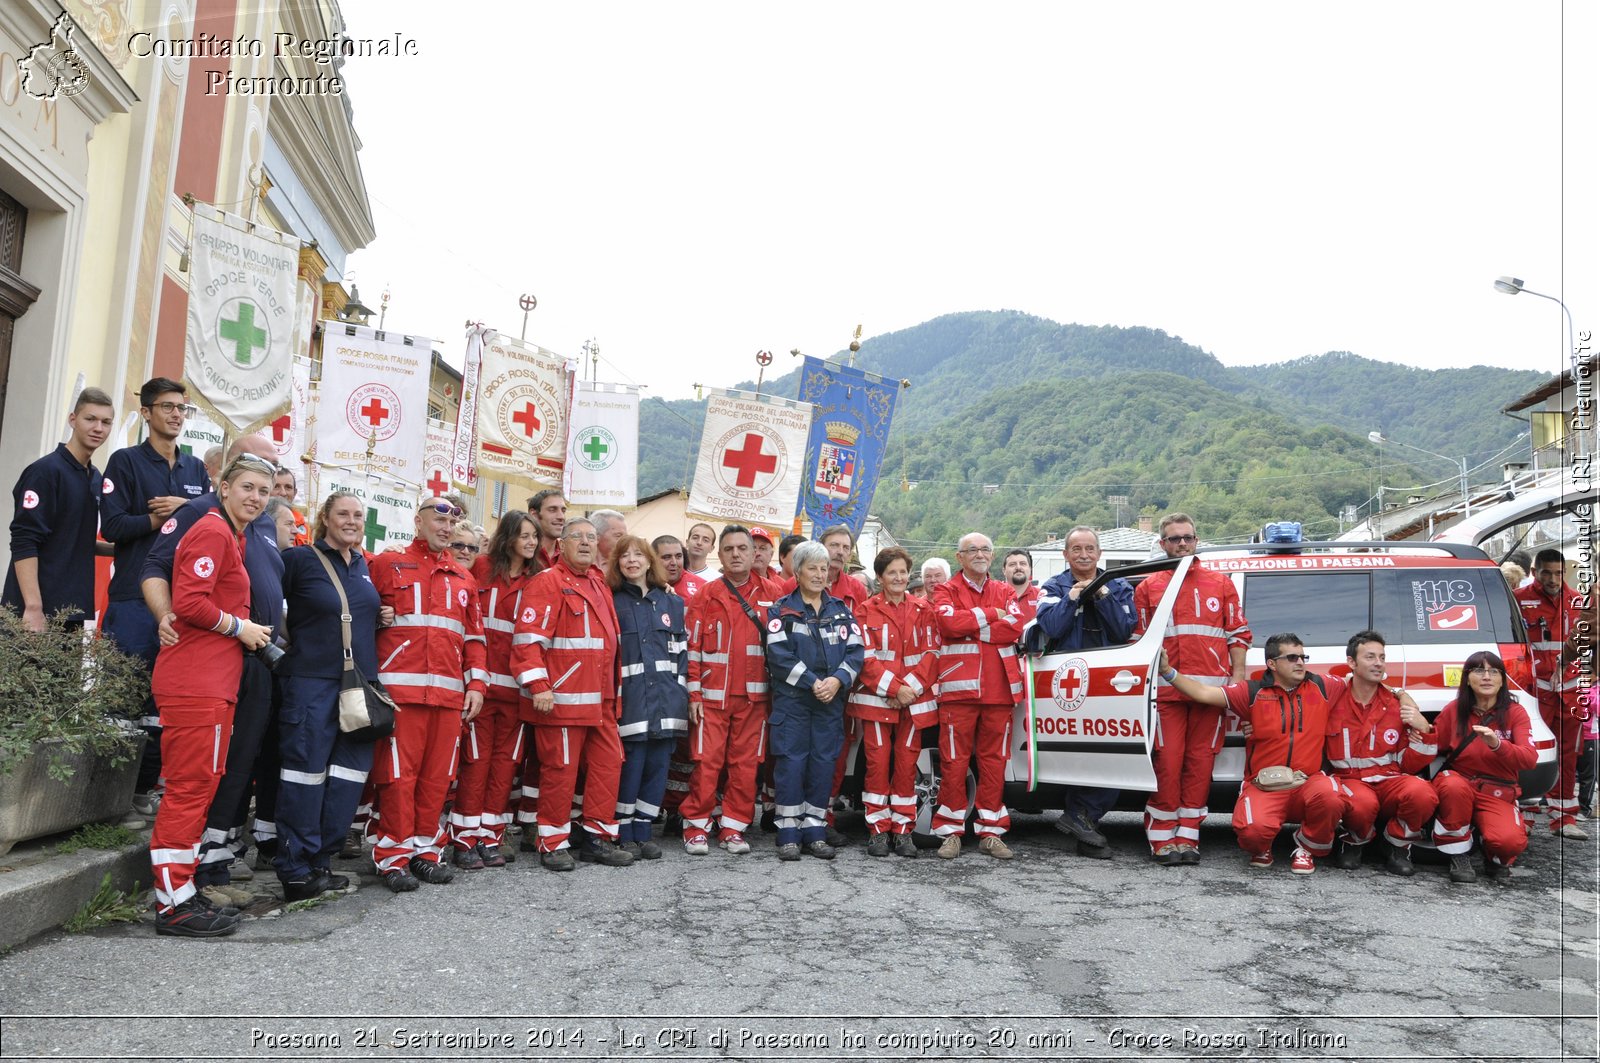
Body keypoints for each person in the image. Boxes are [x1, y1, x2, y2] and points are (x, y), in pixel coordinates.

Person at [140, 439, 286, 905]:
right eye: (247, 486)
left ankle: (182, 889)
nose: (256, 497)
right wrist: (239, 626)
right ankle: (173, 900)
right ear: (222, 487)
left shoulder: (236, 532)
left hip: (215, 681)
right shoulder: (211, 529)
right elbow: (187, 602)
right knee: (188, 788)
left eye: (264, 490)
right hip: (195, 680)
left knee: (201, 783)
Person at [366, 496, 488, 891]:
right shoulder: (387, 563)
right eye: (438, 520)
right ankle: (392, 856)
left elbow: (474, 638)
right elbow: (357, 611)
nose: (446, 528)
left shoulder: (463, 577)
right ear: (418, 522)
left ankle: (425, 852)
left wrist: (478, 685)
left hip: (448, 698)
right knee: (399, 778)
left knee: (438, 779)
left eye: (452, 523)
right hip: (400, 696)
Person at [272, 490, 387, 900]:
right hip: (311, 684)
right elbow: (267, 603)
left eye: (358, 515)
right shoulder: (299, 560)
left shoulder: (363, 566)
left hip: (358, 687)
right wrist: (280, 644)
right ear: (325, 517)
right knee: (305, 775)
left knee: (347, 777)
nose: (352, 521)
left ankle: (322, 860)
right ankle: (296, 869)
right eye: (343, 514)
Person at [1164, 633, 1342, 874]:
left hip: (1307, 781)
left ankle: (1306, 847)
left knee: (1330, 795)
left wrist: (1399, 694)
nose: (1300, 662)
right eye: (1291, 657)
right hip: (1265, 784)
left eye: (1302, 656)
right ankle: (1262, 846)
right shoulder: (1251, 691)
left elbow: (1362, 682)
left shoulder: (1323, 686)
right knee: (1252, 833)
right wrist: (1167, 671)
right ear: (1272, 663)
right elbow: (1203, 693)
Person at [511, 517, 632, 871]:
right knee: (560, 771)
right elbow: (527, 640)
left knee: (608, 767)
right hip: (562, 701)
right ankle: (552, 842)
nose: (585, 543)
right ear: (561, 544)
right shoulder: (547, 582)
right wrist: (538, 686)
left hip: (602, 700)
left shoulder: (599, 582)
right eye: (577, 537)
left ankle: (596, 838)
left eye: (591, 538)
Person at [1133, 513, 1250, 864]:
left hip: (1211, 696)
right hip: (1165, 695)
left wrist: (1238, 680)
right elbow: (1138, 641)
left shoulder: (1221, 583)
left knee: (1200, 765)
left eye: (1187, 537)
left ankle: (1188, 836)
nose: (1181, 543)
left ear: (1197, 540)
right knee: (1167, 763)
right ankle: (1160, 836)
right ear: (1162, 544)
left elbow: (1238, 634)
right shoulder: (1148, 586)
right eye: (1174, 539)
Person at [1024, 526, 1137, 858]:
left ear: (1099, 553)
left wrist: (1099, 594)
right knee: (1079, 751)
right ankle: (1083, 820)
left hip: (1109, 679)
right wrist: (1073, 597)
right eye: (1076, 549)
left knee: (1114, 753)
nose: (1084, 554)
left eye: (1090, 548)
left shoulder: (1118, 585)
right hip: (1068, 680)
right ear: (1065, 554)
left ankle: (1082, 817)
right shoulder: (1051, 587)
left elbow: (1123, 628)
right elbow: (1051, 627)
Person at [680, 525, 778, 855]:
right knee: (707, 763)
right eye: (728, 549)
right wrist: (693, 694)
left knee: (746, 765)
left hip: (755, 698)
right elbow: (691, 648)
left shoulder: (773, 595)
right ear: (718, 555)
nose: (736, 554)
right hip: (711, 697)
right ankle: (695, 825)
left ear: (754, 554)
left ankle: (733, 827)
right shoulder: (705, 595)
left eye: (742, 548)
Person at [765, 540, 864, 859]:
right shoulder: (782, 609)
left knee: (823, 763)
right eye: (813, 568)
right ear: (798, 572)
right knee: (792, 764)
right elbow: (778, 656)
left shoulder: (841, 611)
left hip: (830, 702)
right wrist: (813, 682)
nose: (820, 574)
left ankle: (815, 830)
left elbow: (857, 651)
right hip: (794, 702)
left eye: (824, 569)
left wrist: (836, 680)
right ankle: (789, 832)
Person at [930, 532, 1026, 860]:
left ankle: (991, 832)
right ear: (960, 557)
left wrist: (973, 623)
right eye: (972, 550)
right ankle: (950, 832)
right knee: (954, 762)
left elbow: (1015, 625)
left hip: (1000, 690)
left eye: (985, 549)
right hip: (959, 690)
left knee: (994, 761)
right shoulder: (946, 589)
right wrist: (991, 615)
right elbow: (947, 623)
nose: (980, 554)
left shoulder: (1003, 589)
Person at [452, 510, 539, 869]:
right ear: (508, 538)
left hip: (516, 694)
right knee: (476, 763)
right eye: (524, 535)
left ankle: (490, 837)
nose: (531, 542)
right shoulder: (482, 567)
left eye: (534, 536)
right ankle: (464, 840)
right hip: (481, 689)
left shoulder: (537, 580)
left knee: (505, 766)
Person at [848, 547, 939, 857]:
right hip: (877, 701)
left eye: (903, 572)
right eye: (892, 573)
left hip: (912, 701)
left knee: (905, 764)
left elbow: (932, 654)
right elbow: (865, 657)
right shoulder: (864, 610)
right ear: (880, 577)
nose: (899, 577)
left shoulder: (923, 608)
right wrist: (893, 690)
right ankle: (877, 830)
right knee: (876, 762)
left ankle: (902, 831)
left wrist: (908, 689)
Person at [1325, 630, 1439, 876]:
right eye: (1370, 657)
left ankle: (1396, 844)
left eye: (1382, 657)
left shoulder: (1396, 705)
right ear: (1352, 663)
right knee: (1362, 803)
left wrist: (1425, 730)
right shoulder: (1333, 699)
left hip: (1389, 780)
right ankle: (1355, 840)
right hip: (1349, 780)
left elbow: (1409, 764)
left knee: (1422, 793)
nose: (1378, 663)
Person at [4, 387, 115, 632]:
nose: (99, 428)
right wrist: (33, 607)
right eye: (90, 419)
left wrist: (124, 551)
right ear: (72, 419)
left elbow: (72, 539)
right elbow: (24, 540)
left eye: (106, 422)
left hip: (72, 612)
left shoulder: (94, 477)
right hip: (35, 613)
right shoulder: (45, 472)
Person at [608, 535, 690, 859]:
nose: (632, 560)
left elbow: (681, 653)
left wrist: (680, 691)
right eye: (625, 556)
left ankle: (644, 830)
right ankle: (624, 831)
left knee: (659, 767)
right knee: (631, 767)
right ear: (617, 563)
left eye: (637, 555)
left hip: (667, 703)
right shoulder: (612, 600)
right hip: (631, 701)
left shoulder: (672, 603)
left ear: (648, 560)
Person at [1428, 651, 1538, 882]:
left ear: (1502, 680)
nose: (1486, 676)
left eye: (1493, 671)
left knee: (1509, 843)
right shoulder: (1454, 709)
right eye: (1479, 670)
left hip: (1497, 791)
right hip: (1461, 784)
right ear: (1467, 678)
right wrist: (1420, 730)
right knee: (1452, 785)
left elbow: (1529, 759)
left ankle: (1493, 855)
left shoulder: (1515, 712)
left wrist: (1497, 744)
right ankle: (1458, 854)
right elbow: (1432, 746)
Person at [1515, 549, 1589, 839]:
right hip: (1535, 693)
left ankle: (1564, 818)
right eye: (1547, 572)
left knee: (1568, 755)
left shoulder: (1579, 602)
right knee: (1529, 752)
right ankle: (1526, 816)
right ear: (1535, 572)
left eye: (1559, 573)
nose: (1554, 579)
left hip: (1570, 692)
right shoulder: (1519, 600)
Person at [653, 534, 706, 601]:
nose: (674, 562)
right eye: (667, 557)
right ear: (652, 559)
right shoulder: (642, 585)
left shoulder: (702, 587)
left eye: (678, 556)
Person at [526, 489, 567, 570]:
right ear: (534, 515)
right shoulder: (521, 554)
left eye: (563, 511)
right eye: (552, 510)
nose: (561, 517)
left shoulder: (568, 555)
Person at [271, 465, 310, 546]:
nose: (283, 493)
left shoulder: (303, 526)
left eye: (288, 487)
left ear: (295, 492)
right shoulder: (256, 521)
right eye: (276, 487)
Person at [1001, 548, 1040, 620]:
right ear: (1004, 570)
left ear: (1030, 569)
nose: (1018, 567)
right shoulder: (995, 595)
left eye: (1023, 564)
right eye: (1012, 564)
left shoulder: (1041, 596)